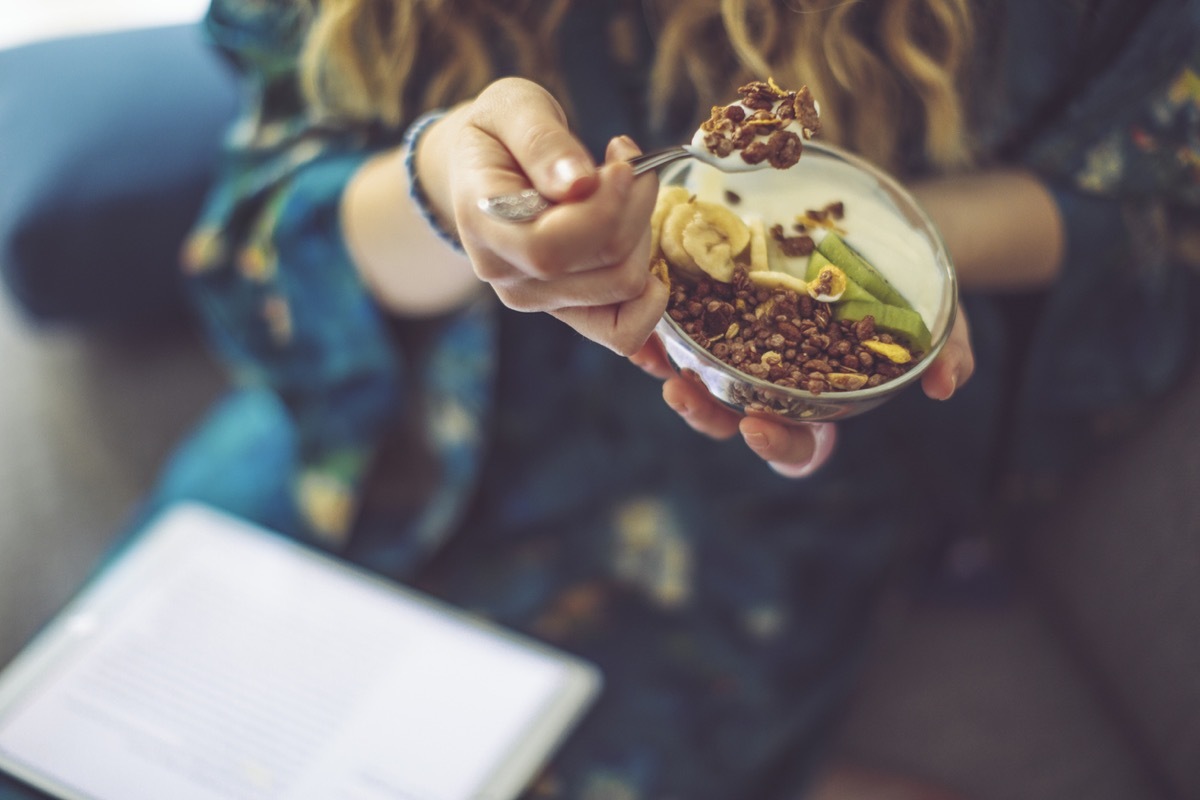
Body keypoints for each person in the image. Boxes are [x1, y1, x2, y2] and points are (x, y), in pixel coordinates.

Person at [10, 1, 1197, 798]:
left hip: (731, 509)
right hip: (371, 434)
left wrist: (869, 265)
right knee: (98, 748)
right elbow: (272, 219)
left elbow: (1154, 183)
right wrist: (451, 192)